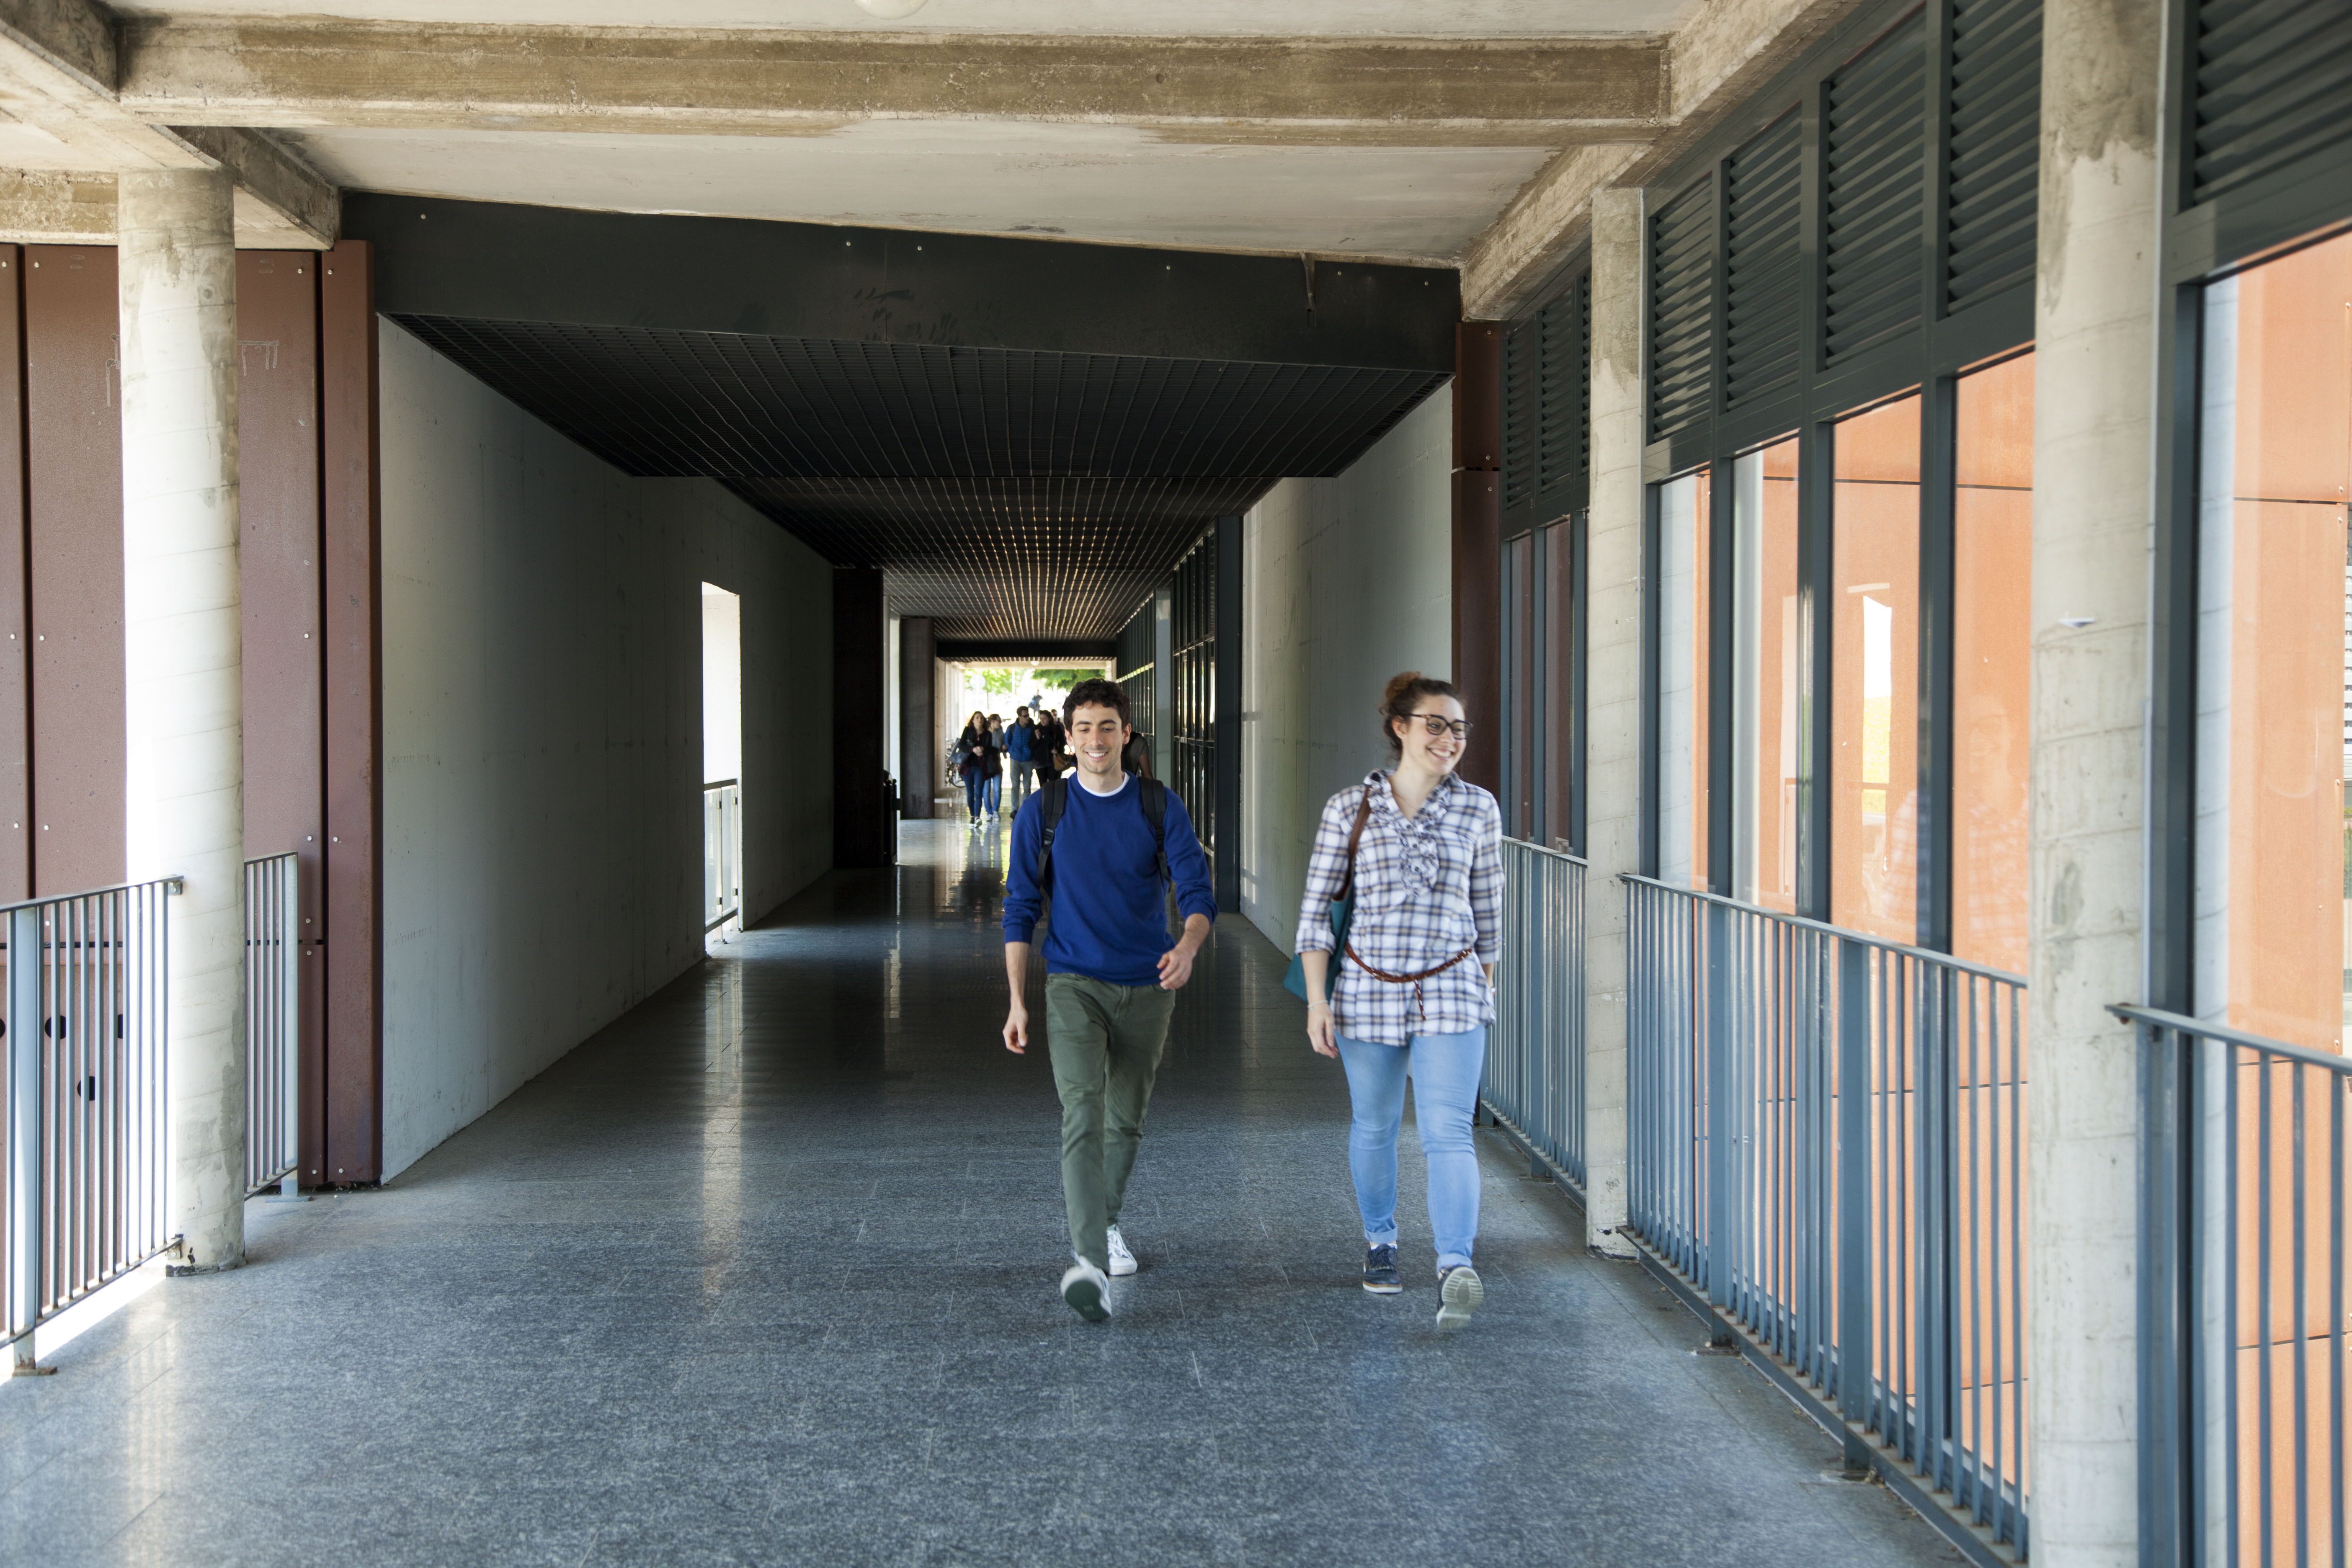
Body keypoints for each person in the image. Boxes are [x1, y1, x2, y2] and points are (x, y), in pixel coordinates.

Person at [1002, 678, 1216, 1322]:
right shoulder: (1044, 812)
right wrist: (1017, 1001)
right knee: (1082, 1110)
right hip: (1072, 983)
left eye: (1108, 727)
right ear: (1066, 739)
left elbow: (1198, 893)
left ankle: (1109, 1223)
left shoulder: (1158, 805)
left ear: (1127, 734)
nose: (1096, 740)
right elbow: (1019, 909)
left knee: (1125, 1118)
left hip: (1148, 984)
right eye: (1084, 729)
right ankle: (1088, 1262)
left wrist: (1187, 946)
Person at [1295, 672, 1501, 1331]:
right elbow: (1315, 914)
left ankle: (1455, 1265)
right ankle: (1381, 1242)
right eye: (1436, 724)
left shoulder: (1479, 809)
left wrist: (1483, 984)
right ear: (1401, 727)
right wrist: (1316, 1002)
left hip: (1451, 988)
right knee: (1376, 1125)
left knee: (1448, 1132)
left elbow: (1489, 912)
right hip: (1366, 990)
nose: (1450, 739)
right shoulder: (1350, 808)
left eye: (1459, 727)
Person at [957, 710, 992, 828]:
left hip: (980, 767)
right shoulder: (968, 731)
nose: (980, 720)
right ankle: (972, 817)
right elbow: (961, 745)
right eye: (977, 718)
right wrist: (973, 750)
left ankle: (977, 817)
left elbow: (990, 750)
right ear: (973, 720)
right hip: (968, 766)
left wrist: (982, 749)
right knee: (970, 794)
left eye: (981, 718)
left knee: (979, 793)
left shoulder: (988, 734)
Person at [1006, 705, 1037, 807]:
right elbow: (1007, 741)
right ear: (1019, 717)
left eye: (1028, 715)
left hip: (1028, 760)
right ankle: (1014, 809)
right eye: (1025, 716)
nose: (1028, 718)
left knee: (1027, 786)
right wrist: (1012, 751)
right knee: (1015, 786)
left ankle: (1025, 808)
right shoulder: (1012, 728)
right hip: (1015, 759)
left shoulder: (1033, 728)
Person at [1033, 708, 1066, 782]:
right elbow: (1031, 746)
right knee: (1043, 785)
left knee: (1054, 783)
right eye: (1041, 718)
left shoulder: (1056, 729)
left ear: (1050, 719)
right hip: (1040, 762)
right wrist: (1037, 739)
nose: (1042, 721)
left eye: (1044, 718)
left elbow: (1062, 743)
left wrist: (1058, 751)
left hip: (1054, 761)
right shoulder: (1036, 729)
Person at [985, 713, 1007, 817]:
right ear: (993, 721)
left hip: (997, 763)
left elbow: (1004, 749)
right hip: (986, 764)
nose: (1000, 723)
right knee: (986, 791)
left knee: (998, 790)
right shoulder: (985, 733)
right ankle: (989, 812)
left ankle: (996, 811)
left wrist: (1004, 749)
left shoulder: (1000, 734)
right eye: (999, 721)